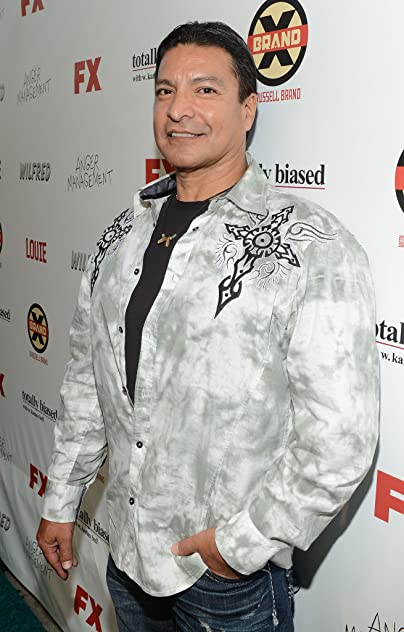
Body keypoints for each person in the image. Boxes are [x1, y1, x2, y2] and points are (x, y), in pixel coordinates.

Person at [37, 21, 379, 632]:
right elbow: (88, 382)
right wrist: (62, 498)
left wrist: (240, 546)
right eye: (165, 90)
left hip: (226, 583)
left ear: (248, 110)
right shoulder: (121, 236)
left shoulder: (312, 246)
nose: (179, 109)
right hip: (127, 557)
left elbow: (341, 436)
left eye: (205, 89)